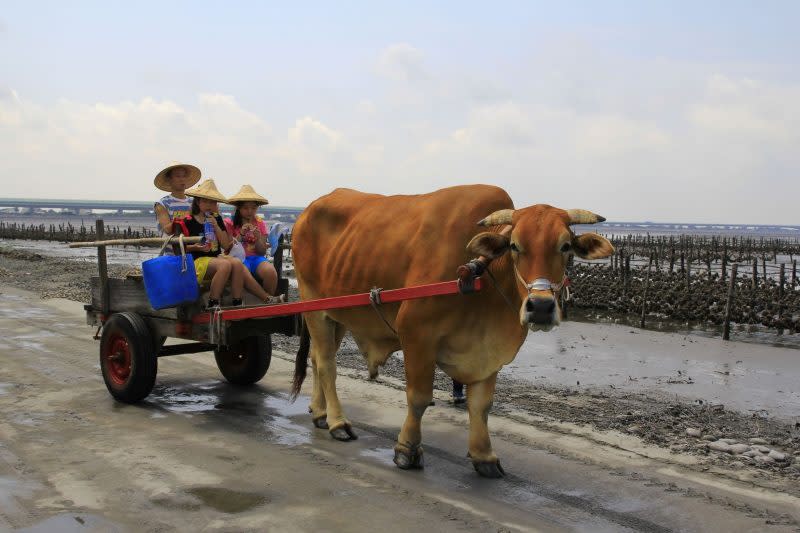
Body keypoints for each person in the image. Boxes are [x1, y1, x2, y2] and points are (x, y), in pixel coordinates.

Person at [177, 180, 273, 309]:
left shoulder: (217, 219)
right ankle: (213, 301)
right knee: (225, 264)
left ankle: (237, 301)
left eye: (212, 202)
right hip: (197, 260)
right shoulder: (187, 221)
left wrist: (216, 226)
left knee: (237, 263)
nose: (209, 205)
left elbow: (225, 246)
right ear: (198, 202)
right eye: (205, 201)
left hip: (215, 257)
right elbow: (179, 248)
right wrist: (195, 247)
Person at [224, 185, 279, 296]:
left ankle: (267, 306)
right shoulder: (229, 222)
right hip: (238, 259)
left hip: (256, 258)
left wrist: (258, 238)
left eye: (253, 208)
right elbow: (227, 248)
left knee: (271, 272)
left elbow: (262, 251)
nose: (250, 211)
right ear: (238, 208)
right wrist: (240, 234)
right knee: (242, 270)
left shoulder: (260, 223)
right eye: (245, 208)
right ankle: (265, 298)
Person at [153, 163, 201, 239]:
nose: (182, 179)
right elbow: (168, 229)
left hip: (193, 248)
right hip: (172, 249)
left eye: (184, 176)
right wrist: (187, 216)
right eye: (178, 176)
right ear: (169, 180)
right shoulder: (162, 204)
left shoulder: (193, 201)